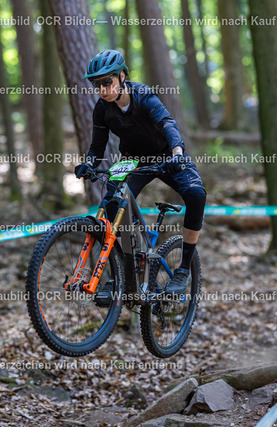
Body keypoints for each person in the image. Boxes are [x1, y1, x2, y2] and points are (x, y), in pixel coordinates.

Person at [74, 50, 206, 296]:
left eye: (107, 81)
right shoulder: (102, 108)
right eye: (96, 84)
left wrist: (177, 153)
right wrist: (89, 163)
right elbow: (97, 146)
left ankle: (183, 270)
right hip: (133, 160)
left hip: (167, 155)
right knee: (112, 204)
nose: (102, 89)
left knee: (196, 194)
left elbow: (167, 123)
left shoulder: (144, 96)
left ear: (122, 76)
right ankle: (120, 276)